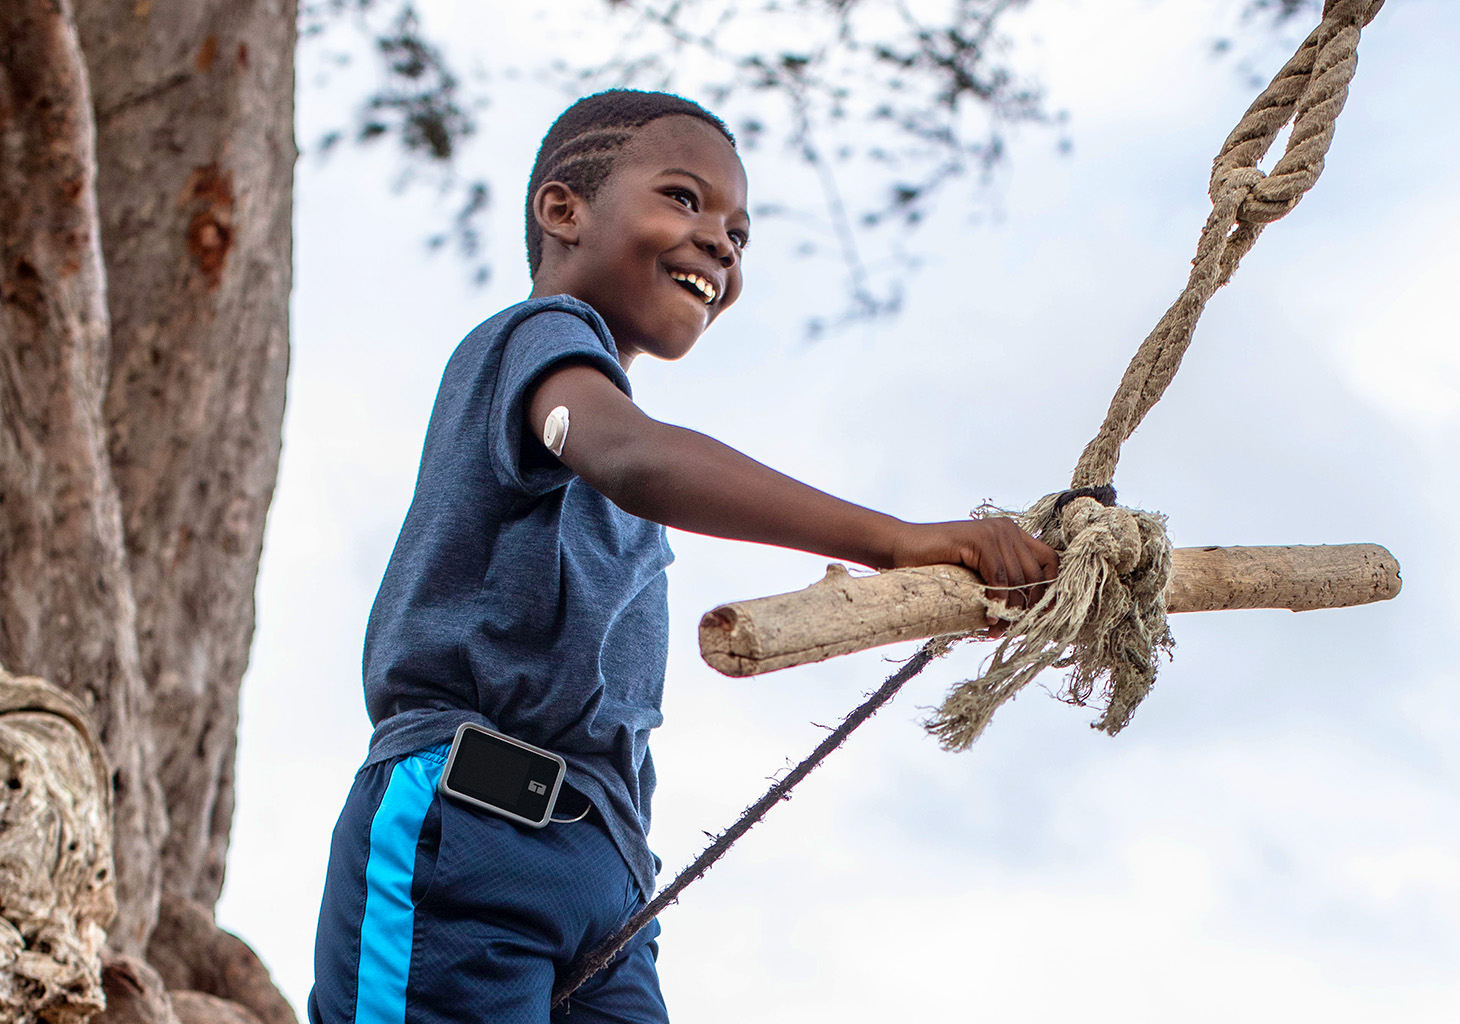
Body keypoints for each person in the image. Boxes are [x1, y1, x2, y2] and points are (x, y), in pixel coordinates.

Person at [308, 89, 1058, 1024]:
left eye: (740, 230)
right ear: (563, 211)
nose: (721, 241)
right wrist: (899, 541)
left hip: (606, 876)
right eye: (683, 199)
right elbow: (636, 458)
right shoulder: (535, 345)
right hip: (467, 835)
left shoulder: (604, 434)